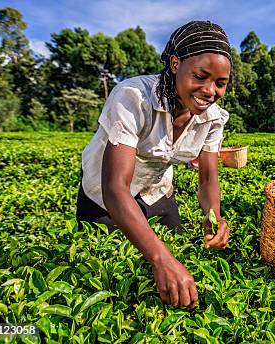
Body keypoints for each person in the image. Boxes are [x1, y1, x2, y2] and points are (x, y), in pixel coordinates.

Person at [75, 21, 232, 309]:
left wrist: (213, 217)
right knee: (118, 272)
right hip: (105, 196)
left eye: (220, 84)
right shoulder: (132, 97)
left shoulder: (214, 118)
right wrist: (161, 258)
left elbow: (208, 179)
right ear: (175, 64)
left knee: (181, 256)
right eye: (201, 76)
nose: (210, 91)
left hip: (155, 191)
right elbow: (115, 188)